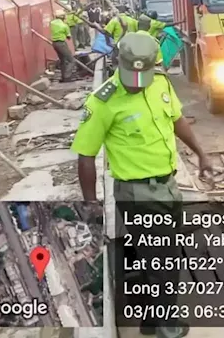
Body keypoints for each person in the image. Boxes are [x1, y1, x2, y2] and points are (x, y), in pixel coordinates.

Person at [71, 32, 213, 338]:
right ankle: (167, 326)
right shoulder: (102, 102)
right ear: (118, 63)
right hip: (136, 192)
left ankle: (150, 322)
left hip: (167, 185)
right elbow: (86, 156)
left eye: (143, 75)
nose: (136, 82)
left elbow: (177, 120)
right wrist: (90, 203)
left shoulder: (160, 83)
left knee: (154, 257)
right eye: (130, 75)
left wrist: (201, 153)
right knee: (165, 260)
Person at [50, 10, 75, 83]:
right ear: (63, 17)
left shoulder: (52, 23)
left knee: (62, 61)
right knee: (71, 60)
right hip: (61, 44)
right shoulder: (64, 26)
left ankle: (63, 76)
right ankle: (67, 76)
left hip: (54, 44)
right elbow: (69, 37)